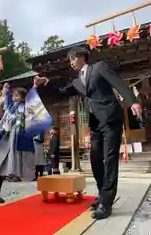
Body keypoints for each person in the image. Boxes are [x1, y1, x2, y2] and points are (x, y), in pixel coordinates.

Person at [34, 47, 142, 220]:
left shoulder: (99, 67)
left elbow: (118, 82)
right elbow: (61, 93)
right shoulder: (77, 82)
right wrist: (46, 82)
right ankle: (101, 193)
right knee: (95, 158)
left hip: (111, 118)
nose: (71, 64)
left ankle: (106, 203)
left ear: (80, 56)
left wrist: (133, 102)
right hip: (95, 123)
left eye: (71, 60)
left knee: (110, 158)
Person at [0, 83, 36, 180]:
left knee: (17, 153)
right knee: (5, 151)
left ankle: (16, 173)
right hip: (8, 132)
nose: (15, 97)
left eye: (18, 95)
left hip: (18, 132)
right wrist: (6, 90)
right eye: (14, 95)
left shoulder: (24, 108)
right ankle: (7, 172)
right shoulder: (10, 107)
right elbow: (5, 109)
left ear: (23, 98)